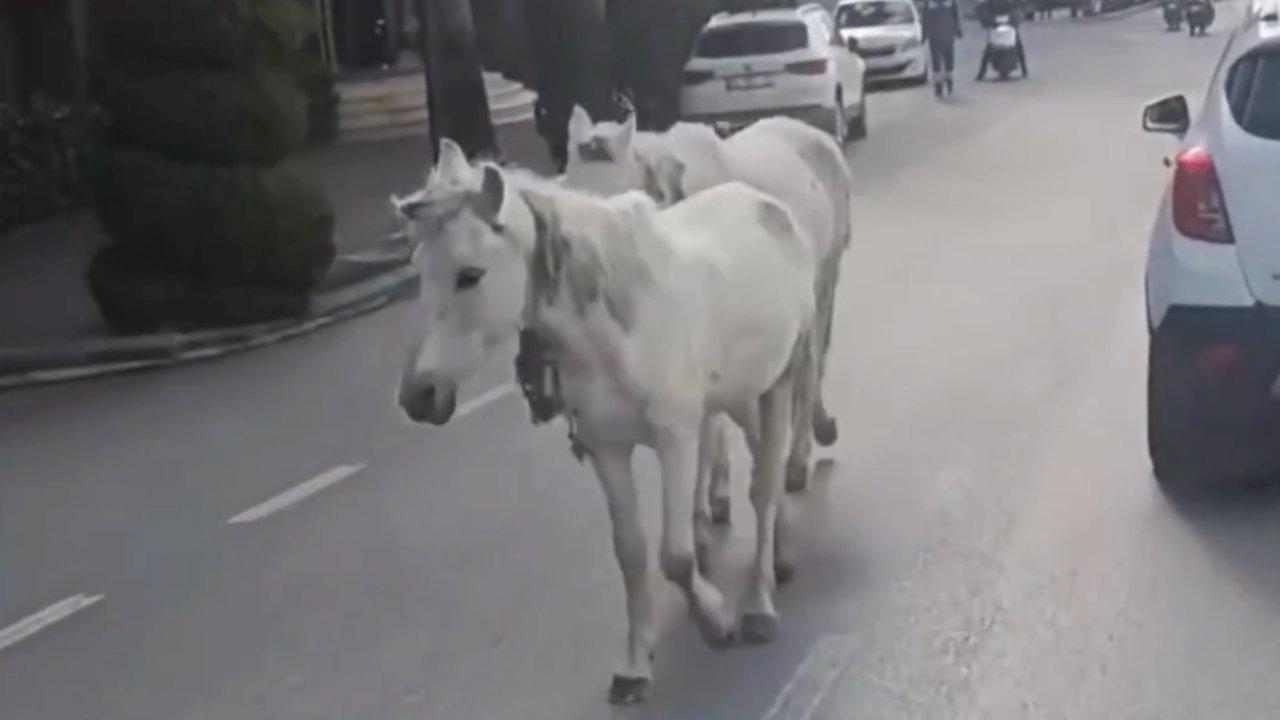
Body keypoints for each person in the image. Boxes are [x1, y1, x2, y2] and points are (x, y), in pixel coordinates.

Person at [976, 0, 1029, 79]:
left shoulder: (1011, 4)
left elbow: (1018, 7)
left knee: (1017, 43)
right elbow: (982, 7)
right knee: (989, 46)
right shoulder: (989, 4)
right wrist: (985, 18)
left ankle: (1024, 69)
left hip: (1009, 22)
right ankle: (981, 72)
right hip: (994, 22)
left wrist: (1017, 16)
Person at [921, 0, 963, 97]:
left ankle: (944, 81)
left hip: (941, 35)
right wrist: (958, 30)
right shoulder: (948, 3)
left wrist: (924, 35)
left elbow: (925, 20)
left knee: (943, 59)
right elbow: (925, 20)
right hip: (941, 35)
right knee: (942, 59)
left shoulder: (932, 3)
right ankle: (942, 83)